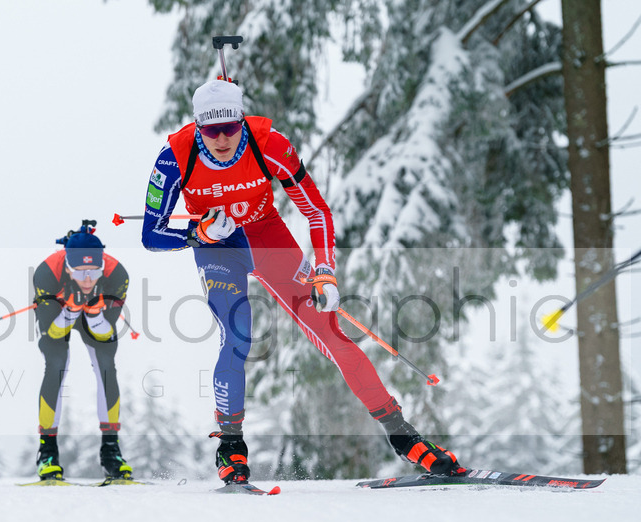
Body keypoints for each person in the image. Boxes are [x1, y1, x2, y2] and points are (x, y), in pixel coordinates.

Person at [141, 79, 465, 486]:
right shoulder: (174, 158)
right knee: (239, 335)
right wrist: (197, 234)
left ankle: (405, 438)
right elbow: (150, 235)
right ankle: (231, 446)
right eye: (210, 130)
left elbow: (317, 212)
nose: (221, 139)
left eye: (230, 127)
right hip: (219, 247)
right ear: (197, 126)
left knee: (332, 332)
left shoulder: (271, 145)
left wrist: (325, 270)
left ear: (242, 120)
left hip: (266, 235)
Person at [31, 224, 133, 481]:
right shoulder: (47, 274)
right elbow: (52, 334)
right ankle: (47, 452)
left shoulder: (117, 275)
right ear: (67, 267)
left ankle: (111, 452)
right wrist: (70, 310)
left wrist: (94, 312)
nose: (88, 279)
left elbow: (104, 334)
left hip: (93, 317)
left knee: (107, 367)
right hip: (58, 314)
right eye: (80, 272)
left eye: (94, 271)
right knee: (56, 365)